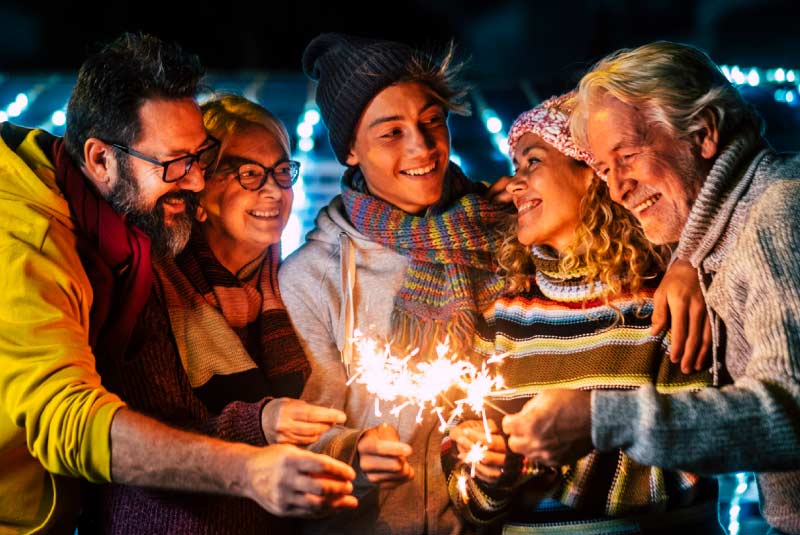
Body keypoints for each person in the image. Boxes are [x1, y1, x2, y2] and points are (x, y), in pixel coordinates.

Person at [0, 34, 355, 535]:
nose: (193, 183)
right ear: (100, 159)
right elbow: (70, 421)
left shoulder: (120, 229)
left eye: (200, 158)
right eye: (174, 164)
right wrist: (246, 469)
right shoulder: (26, 242)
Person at [503, 41, 800, 534]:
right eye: (603, 168)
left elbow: (790, 411)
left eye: (629, 156)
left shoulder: (777, 213)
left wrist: (605, 419)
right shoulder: (726, 231)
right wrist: (687, 259)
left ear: (703, 134)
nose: (617, 189)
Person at [443, 93, 722, 534]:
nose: (514, 183)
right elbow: (466, 496)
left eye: (532, 162)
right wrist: (491, 474)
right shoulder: (503, 312)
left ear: (591, 174)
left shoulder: (662, 301)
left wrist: (541, 465)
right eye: (515, 168)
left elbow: (697, 455)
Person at [80, 93, 352, 534]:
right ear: (199, 191)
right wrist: (260, 424)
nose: (274, 190)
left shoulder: (290, 283)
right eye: (248, 173)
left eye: (283, 172)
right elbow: (145, 441)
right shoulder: (151, 288)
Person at [279, 32, 509, 534]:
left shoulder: (501, 234)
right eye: (390, 133)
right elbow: (297, 438)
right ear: (351, 153)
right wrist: (354, 455)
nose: (422, 147)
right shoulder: (312, 278)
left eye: (431, 121)